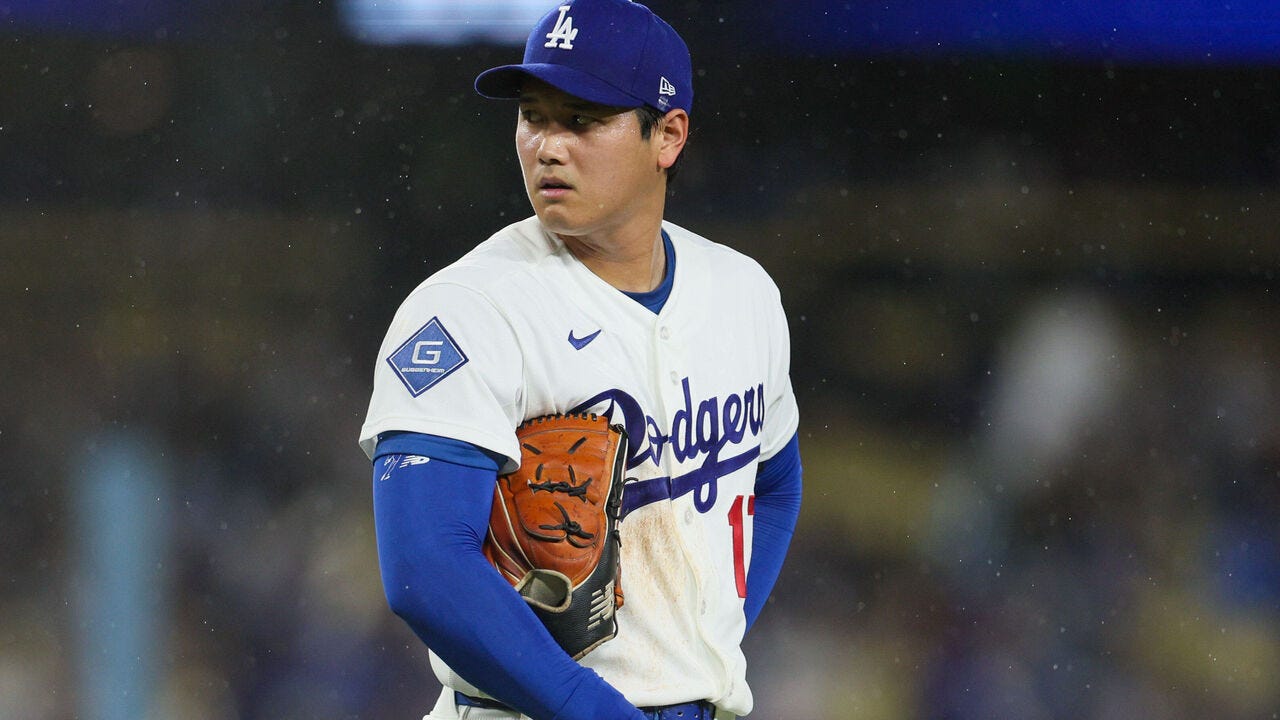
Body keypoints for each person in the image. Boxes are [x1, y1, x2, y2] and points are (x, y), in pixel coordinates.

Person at [359, 1, 803, 718]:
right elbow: (425, 569)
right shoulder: (468, 309)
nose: (547, 146)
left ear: (668, 135)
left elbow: (777, 483)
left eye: (583, 120)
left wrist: (701, 642)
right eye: (533, 116)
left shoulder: (742, 293)